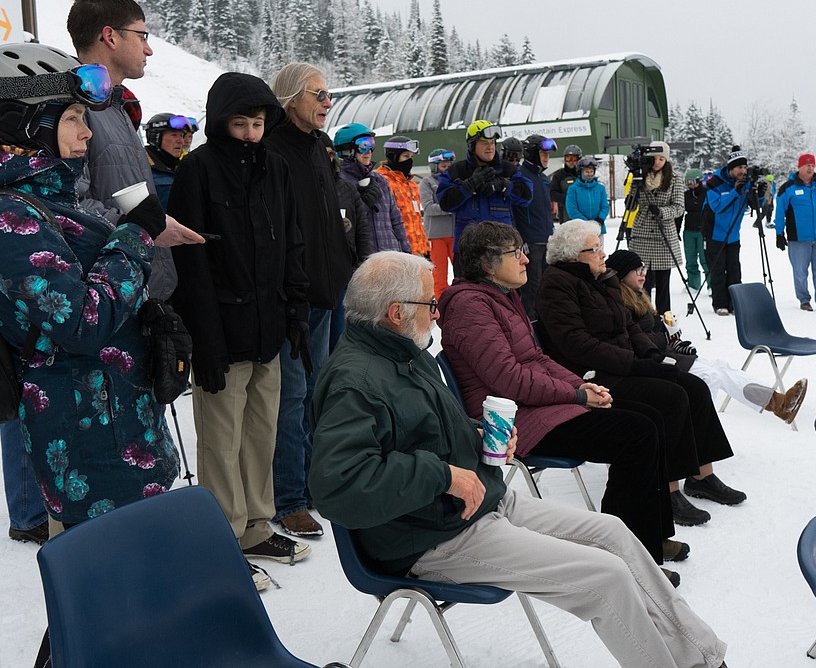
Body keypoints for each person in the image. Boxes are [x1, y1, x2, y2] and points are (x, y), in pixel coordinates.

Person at [309, 250, 728, 668]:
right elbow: (339, 485)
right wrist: (443, 476)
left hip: (474, 505)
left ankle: (702, 658)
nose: (436, 314)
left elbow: (421, 429)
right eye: (429, 303)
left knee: (614, 533)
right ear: (396, 312)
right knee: (607, 578)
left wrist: (477, 434)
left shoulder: (403, 351)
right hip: (429, 536)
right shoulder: (356, 382)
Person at [0, 42, 179, 524]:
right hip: (90, 447)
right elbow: (83, 323)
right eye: (73, 118)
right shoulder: (6, 216)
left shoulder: (46, 199)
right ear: (27, 123)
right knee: (118, 587)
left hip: (118, 427)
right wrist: (136, 233)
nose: (86, 133)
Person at [439, 222, 683, 575]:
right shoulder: (470, 308)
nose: (525, 259)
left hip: (538, 406)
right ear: (489, 265)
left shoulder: (502, 297)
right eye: (515, 253)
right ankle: (630, 556)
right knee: (638, 432)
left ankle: (650, 538)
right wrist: (576, 394)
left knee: (651, 417)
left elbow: (536, 359)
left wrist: (586, 390)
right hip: (510, 424)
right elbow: (508, 380)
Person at [167, 72, 312, 575]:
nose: (251, 133)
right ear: (219, 122)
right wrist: (203, 339)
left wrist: (296, 310)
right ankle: (221, 535)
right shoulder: (198, 170)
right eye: (240, 123)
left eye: (258, 123)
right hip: (221, 330)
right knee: (221, 438)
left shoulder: (275, 167)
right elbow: (191, 264)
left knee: (261, 432)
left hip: (268, 326)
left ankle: (255, 525)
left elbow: (292, 240)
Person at [537, 220, 745, 528]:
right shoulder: (557, 284)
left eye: (600, 247)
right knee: (671, 397)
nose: (602, 254)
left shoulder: (600, 278)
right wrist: (634, 363)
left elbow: (628, 324)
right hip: (594, 377)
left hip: (623, 365)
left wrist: (650, 353)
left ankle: (702, 476)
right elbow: (577, 344)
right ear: (572, 255)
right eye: (594, 249)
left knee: (695, 386)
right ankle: (668, 489)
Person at [264, 61, 356, 538]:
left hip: (332, 287)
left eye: (328, 94)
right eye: (318, 94)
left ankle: (318, 483)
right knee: (293, 395)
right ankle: (290, 497)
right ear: (290, 98)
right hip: (296, 295)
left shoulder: (319, 148)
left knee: (325, 391)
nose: (326, 102)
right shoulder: (272, 150)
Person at [66, 0, 203, 302]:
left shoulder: (114, 106)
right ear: (110, 37)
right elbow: (70, 207)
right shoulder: (75, 110)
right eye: (142, 36)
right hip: (108, 295)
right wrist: (147, 229)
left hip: (136, 288)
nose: (149, 49)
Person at [605, 249, 807, 424]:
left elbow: (652, 334)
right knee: (711, 376)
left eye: (644, 270)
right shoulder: (620, 303)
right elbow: (639, 340)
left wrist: (672, 336)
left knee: (721, 366)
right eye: (637, 271)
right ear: (622, 274)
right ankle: (699, 431)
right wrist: (666, 339)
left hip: (665, 354)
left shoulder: (637, 296)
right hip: (652, 362)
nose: (643, 275)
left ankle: (779, 403)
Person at [435, 119, 532, 244]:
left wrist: (503, 185)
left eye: (492, 142)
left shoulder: (507, 170)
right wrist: (469, 186)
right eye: (484, 143)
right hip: (468, 249)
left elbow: (527, 196)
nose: (490, 147)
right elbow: (445, 203)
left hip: (501, 247)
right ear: (472, 145)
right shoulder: (456, 171)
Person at [774, 152, 816, 314]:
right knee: (800, 271)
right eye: (807, 165)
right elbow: (780, 212)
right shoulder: (788, 187)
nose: (810, 168)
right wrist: (779, 233)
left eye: (812, 165)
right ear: (800, 167)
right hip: (799, 238)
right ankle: (804, 300)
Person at [324, 133, 372, 351]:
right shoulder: (308, 187)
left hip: (346, 270)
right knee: (321, 343)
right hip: (320, 276)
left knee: (342, 335)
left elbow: (362, 228)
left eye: (330, 155)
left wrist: (364, 263)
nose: (328, 160)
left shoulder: (345, 188)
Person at [334, 123, 410, 255]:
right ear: (348, 150)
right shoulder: (339, 182)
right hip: (363, 258)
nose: (369, 151)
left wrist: (406, 252)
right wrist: (364, 203)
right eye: (363, 145)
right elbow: (342, 225)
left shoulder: (380, 180)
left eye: (372, 145)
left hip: (390, 255)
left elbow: (396, 220)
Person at [628, 141, 682, 315]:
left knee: (663, 283)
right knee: (642, 281)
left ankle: (665, 318)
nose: (657, 162)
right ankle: (645, 316)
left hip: (663, 233)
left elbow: (679, 207)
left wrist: (661, 211)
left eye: (661, 158)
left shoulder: (675, 179)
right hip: (642, 233)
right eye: (654, 158)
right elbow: (630, 207)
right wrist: (634, 185)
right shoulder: (640, 176)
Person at [702, 148, 754, 316]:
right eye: (739, 168)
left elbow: (754, 204)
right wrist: (735, 191)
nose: (743, 171)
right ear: (731, 168)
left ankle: (735, 303)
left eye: (745, 168)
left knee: (734, 271)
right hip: (715, 234)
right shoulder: (714, 183)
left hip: (733, 236)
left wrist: (759, 194)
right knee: (718, 272)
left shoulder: (745, 183)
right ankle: (720, 304)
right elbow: (718, 206)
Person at [512, 134, 557, 321]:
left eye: (548, 154)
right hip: (530, 241)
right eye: (542, 153)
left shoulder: (543, 178)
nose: (546, 157)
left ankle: (544, 320)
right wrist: (519, 240)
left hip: (546, 239)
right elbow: (513, 210)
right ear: (531, 154)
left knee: (547, 285)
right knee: (532, 287)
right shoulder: (520, 176)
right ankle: (529, 325)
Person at [377, 135, 429, 257]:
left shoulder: (412, 185)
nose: (409, 161)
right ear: (392, 157)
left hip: (418, 252)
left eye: (411, 157)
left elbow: (416, 221)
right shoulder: (382, 182)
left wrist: (425, 248)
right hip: (398, 252)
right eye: (406, 156)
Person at [419, 149, 455, 299]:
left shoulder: (455, 182)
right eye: (443, 166)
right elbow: (427, 208)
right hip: (436, 236)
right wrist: (449, 207)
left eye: (449, 166)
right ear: (434, 167)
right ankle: (442, 304)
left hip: (455, 234)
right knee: (439, 276)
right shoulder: (427, 183)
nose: (447, 169)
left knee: (462, 272)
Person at [143, 112, 198, 210]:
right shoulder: (141, 168)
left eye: (181, 136)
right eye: (174, 135)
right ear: (156, 137)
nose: (181, 141)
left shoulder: (185, 167)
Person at [565, 155, 609, 233]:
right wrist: (586, 223)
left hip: (598, 228)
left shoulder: (600, 188)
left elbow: (605, 206)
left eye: (591, 172)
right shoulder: (573, 189)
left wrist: (600, 219)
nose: (589, 174)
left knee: (597, 245)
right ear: (580, 172)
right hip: (581, 230)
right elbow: (572, 210)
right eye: (586, 172)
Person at [682, 168, 709, 292]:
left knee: (705, 259)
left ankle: (712, 285)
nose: (690, 185)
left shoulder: (707, 193)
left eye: (692, 181)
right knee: (690, 259)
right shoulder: (685, 195)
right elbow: (679, 213)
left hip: (703, 231)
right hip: (689, 230)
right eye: (688, 182)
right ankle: (693, 284)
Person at [549, 144, 582, 222]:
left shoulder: (583, 175)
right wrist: (568, 198)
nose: (571, 162)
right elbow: (552, 194)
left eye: (574, 158)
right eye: (568, 158)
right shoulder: (559, 175)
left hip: (583, 215)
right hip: (565, 215)